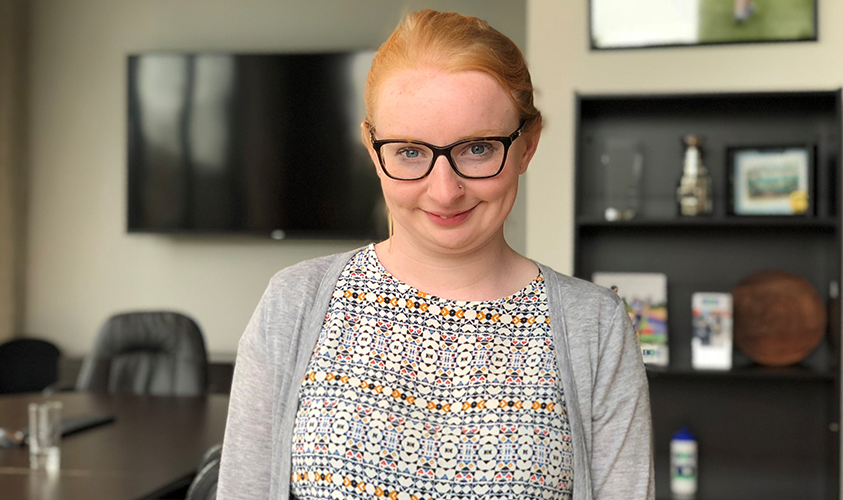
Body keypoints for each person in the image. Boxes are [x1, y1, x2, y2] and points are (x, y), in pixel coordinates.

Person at [216, 10, 653, 500]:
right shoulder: (294, 303)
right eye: (409, 152)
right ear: (372, 149)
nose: (445, 191)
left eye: (478, 149)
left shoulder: (596, 327)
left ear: (526, 146)